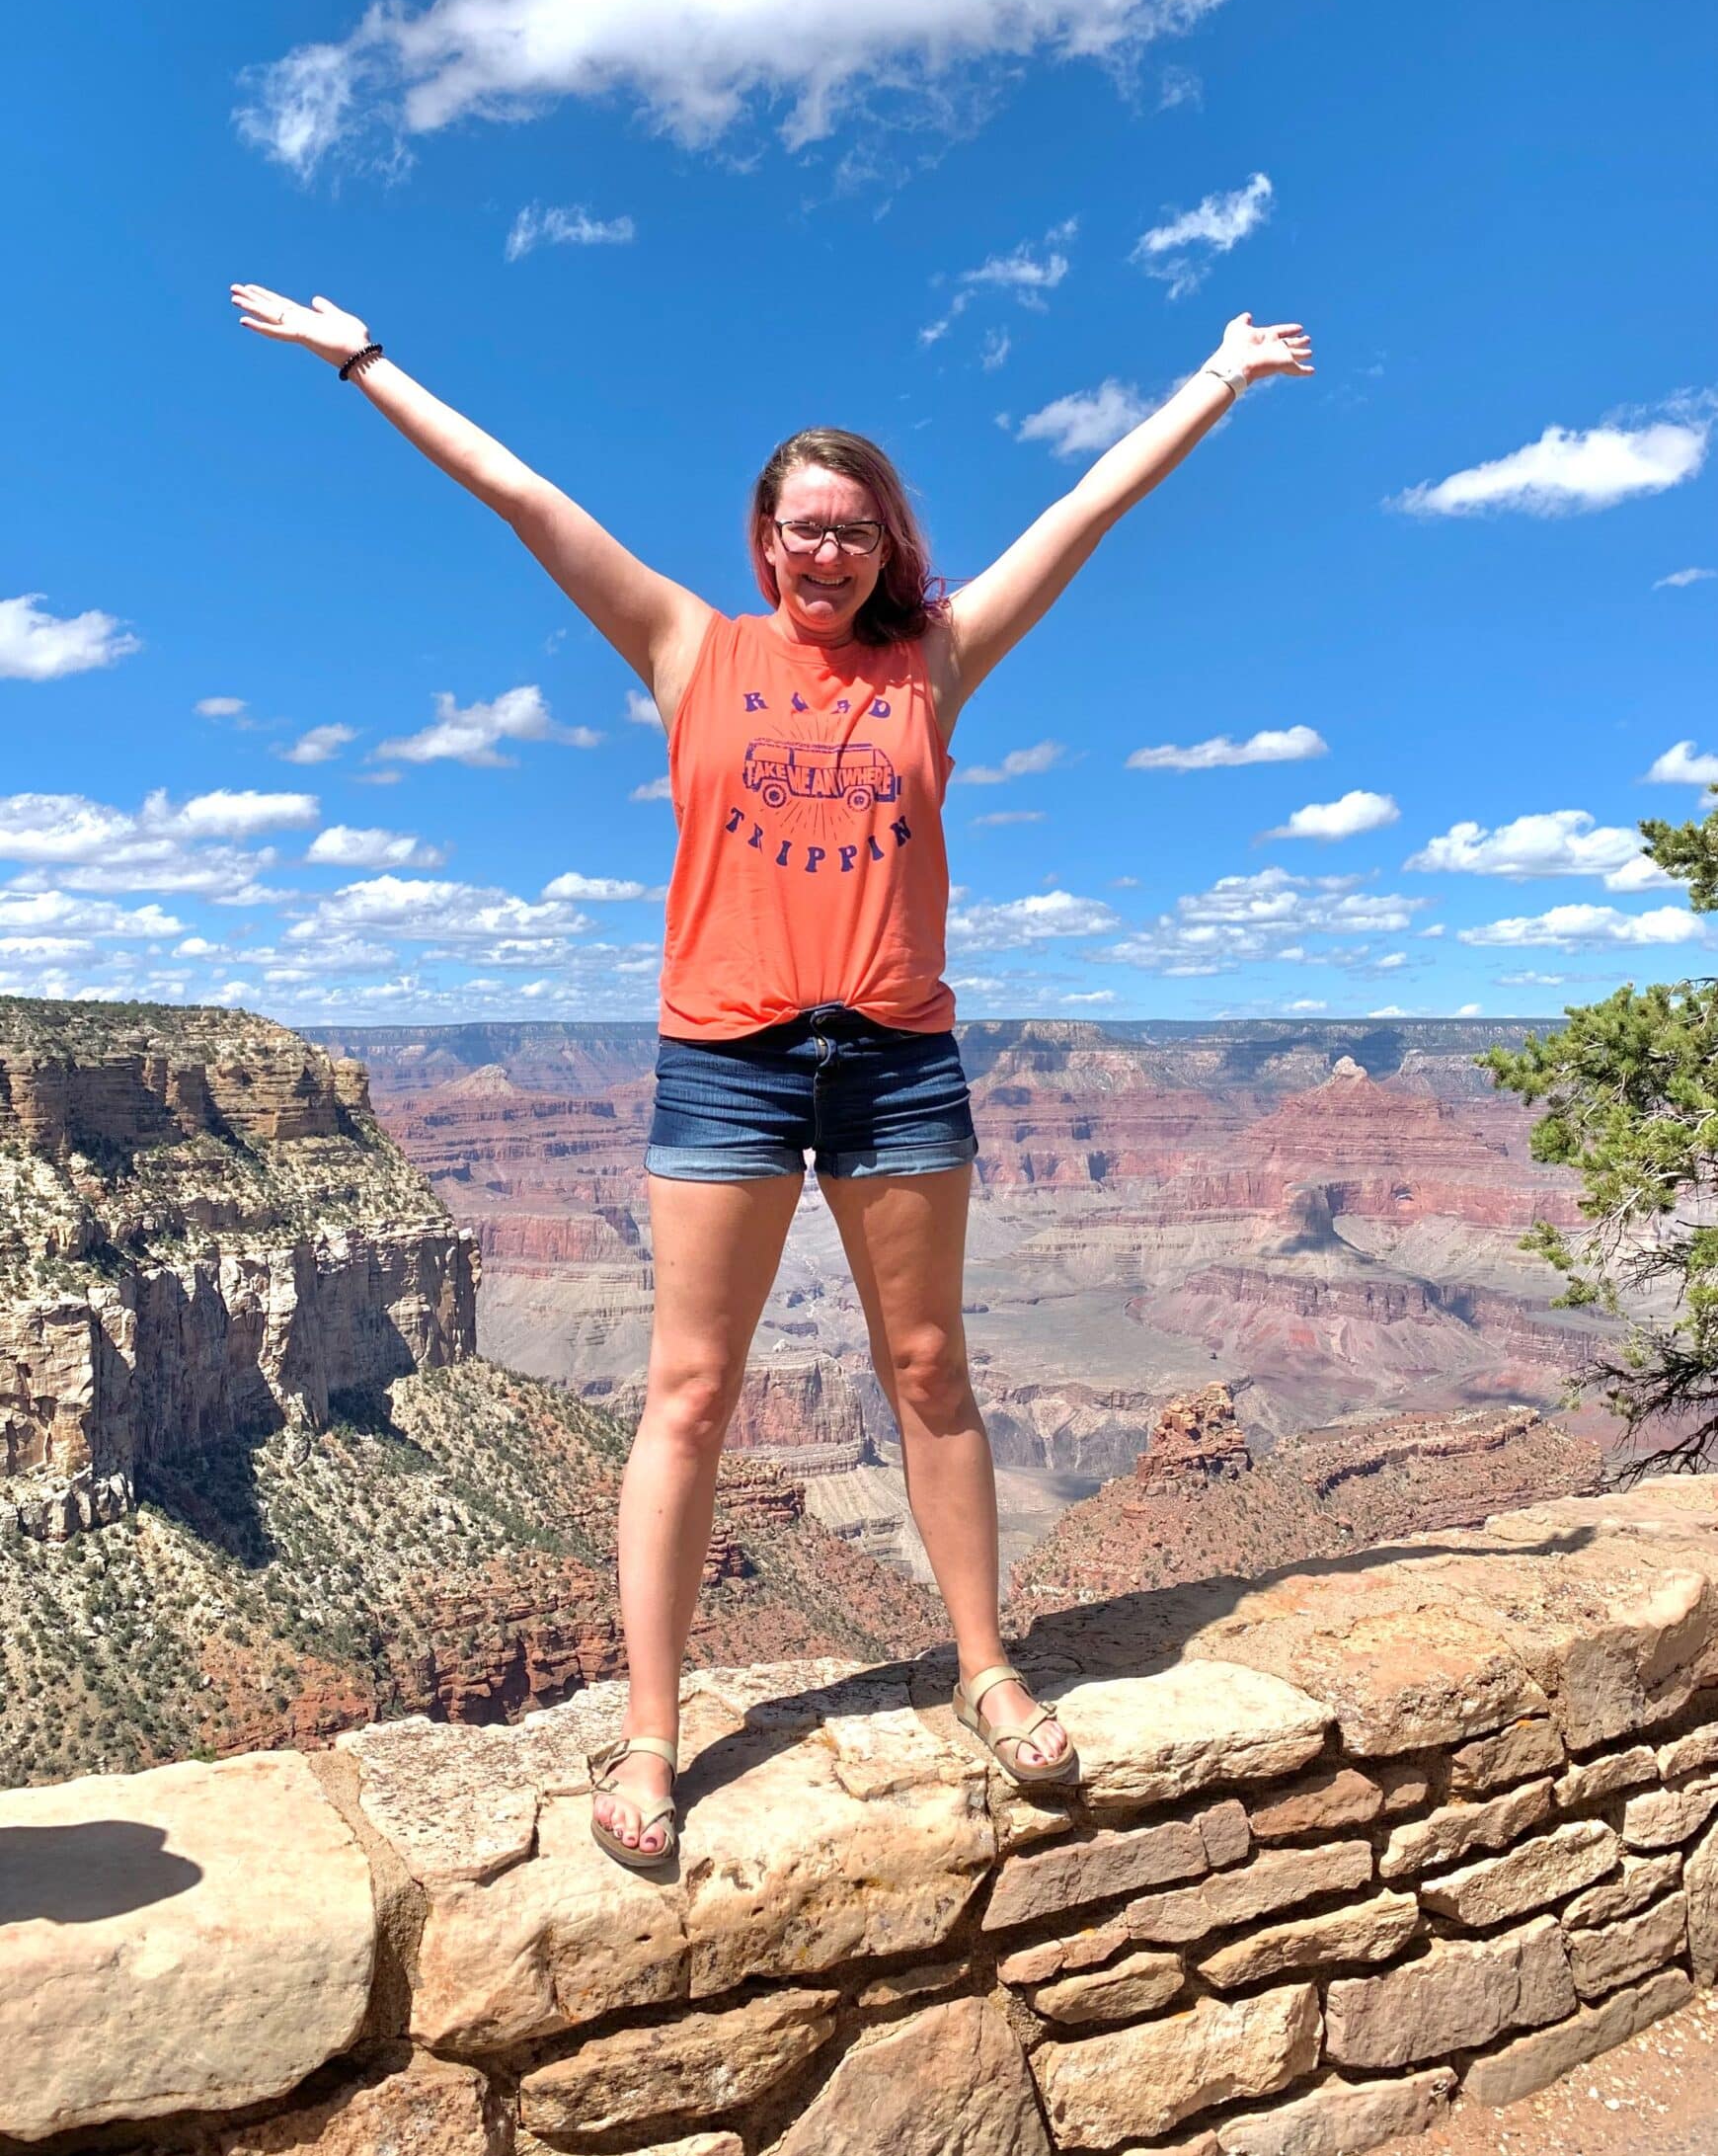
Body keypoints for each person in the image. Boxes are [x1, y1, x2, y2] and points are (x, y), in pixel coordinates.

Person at [230, 278, 1313, 1871]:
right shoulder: (690, 646)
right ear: (763, 542)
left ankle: (988, 1671)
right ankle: (655, 1737)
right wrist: (367, 365)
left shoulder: (931, 662)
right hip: (727, 1062)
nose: (828, 553)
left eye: (855, 529)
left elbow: (1085, 508)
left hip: (894, 1060)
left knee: (931, 1372)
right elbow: (523, 495)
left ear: (891, 545)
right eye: (804, 529)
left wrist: (1214, 381)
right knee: (687, 1393)